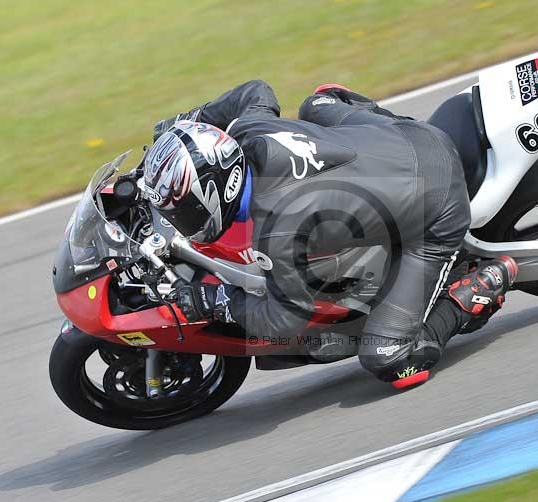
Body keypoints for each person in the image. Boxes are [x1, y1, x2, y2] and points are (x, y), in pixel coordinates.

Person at [144, 80, 517, 389]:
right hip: (400, 134)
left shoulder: (278, 231)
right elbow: (255, 92)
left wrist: (214, 301)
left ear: (215, 192)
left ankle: (475, 291)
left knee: (390, 359)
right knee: (320, 100)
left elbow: (282, 321)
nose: (178, 218)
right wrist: (187, 123)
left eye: (182, 209)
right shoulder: (248, 133)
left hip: (438, 205)